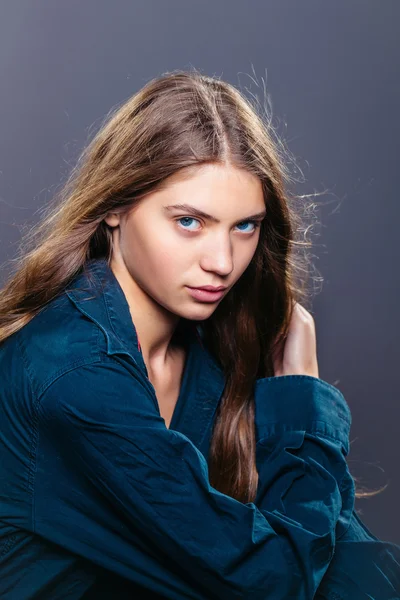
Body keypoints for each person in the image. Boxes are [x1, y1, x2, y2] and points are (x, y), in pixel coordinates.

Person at [0, 69, 398, 599]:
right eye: (189, 221)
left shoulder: (211, 345)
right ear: (115, 207)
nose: (223, 262)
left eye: (245, 226)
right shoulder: (73, 377)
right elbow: (273, 582)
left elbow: (338, 557)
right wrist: (302, 392)